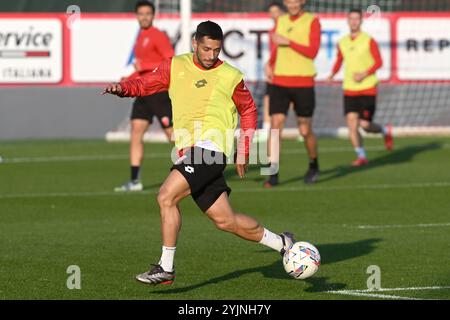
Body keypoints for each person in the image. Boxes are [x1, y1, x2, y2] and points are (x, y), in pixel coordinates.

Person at [103, 21, 296, 285]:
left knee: (166, 196)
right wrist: (123, 89)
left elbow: (249, 111)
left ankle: (166, 267)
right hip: (188, 151)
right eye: (206, 49)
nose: (211, 55)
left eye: (216, 50)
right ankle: (283, 243)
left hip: (211, 149)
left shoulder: (230, 75)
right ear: (195, 43)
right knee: (226, 221)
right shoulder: (176, 65)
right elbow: (147, 83)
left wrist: (244, 148)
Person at [115, 0, 175, 192]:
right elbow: (142, 70)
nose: (144, 17)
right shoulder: (141, 37)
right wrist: (128, 80)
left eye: (148, 13)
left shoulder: (157, 36)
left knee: (172, 135)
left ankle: (198, 166)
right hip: (143, 92)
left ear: (153, 15)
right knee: (135, 133)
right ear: (136, 15)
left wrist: (146, 66)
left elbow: (170, 60)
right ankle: (134, 181)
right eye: (141, 13)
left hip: (158, 92)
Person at [265, 0, 321, 187]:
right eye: (289, 1)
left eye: (296, 0)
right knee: (275, 124)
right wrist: (269, 63)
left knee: (304, 129)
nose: (293, 4)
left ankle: (313, 164)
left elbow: (312, 51)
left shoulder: (312, 21)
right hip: (280, 81)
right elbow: (277, 49)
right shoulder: (281, 21)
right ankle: (272, 173)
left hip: (303, 81)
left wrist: (288, 41)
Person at [327, 9, 393, 167]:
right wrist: (332, 74)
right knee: (351, 124)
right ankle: (361, 155)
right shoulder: (342, 41)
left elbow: (379, 62)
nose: (354, 21)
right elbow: (339, 60)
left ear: (361, 21)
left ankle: (384, 131)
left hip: (367, 88)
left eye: (357, 19)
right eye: (352, 19)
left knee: (365, 125)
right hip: (349, 89)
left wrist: (364, 74)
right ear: (347, 21)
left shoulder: (368, 40)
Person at [260, 2, 285, 138]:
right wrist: (269, 65)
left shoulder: (287, 29)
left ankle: (300, 127)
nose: (274, 14)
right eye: (271, 12)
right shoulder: (272, 31)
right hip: (274, 70)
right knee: (268, 96)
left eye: (276, 11)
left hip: (288, 69)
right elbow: (274, 51)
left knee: (293, 100)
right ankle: (266, 127)